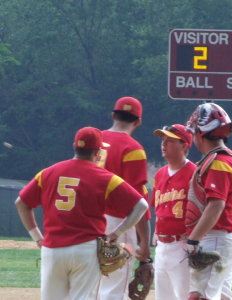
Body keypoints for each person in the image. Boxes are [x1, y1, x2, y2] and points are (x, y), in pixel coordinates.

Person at [14, 127, 148, 300]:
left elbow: (21, 203)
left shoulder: (48, 172)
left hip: (52, 249)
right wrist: (116, 233)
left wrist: (38, 238)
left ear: (74, 146)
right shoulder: (105, 177)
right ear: (98, 152)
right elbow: (141, 205)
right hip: (86, 249)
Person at [185, 103, 232, 300]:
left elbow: (216, 205)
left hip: (217, 237)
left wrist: (193, 239)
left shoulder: (219, 162)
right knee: (221, 296)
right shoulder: (226, 158)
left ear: (201, 133)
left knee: (200, 296)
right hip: (224, 235)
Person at [98, 96, 152, 300]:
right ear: (137, 122)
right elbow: (137, 201)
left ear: (113, 115)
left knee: (90, 283)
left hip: (87, 220)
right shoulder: (133, 149)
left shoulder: (93, 140)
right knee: (114, 287)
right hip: (117, 224)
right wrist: (144, 242)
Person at [151, 124, 196, 300]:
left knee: (185, 296)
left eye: (170, 141)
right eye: (163, 140)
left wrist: (195, 237)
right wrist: (156, 230)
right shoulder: (159, 174)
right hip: (162, 247)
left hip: (183, 246)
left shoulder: (194, 173)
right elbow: (159, 207)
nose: (164, 144)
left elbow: (205, 208)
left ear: (184, 145)